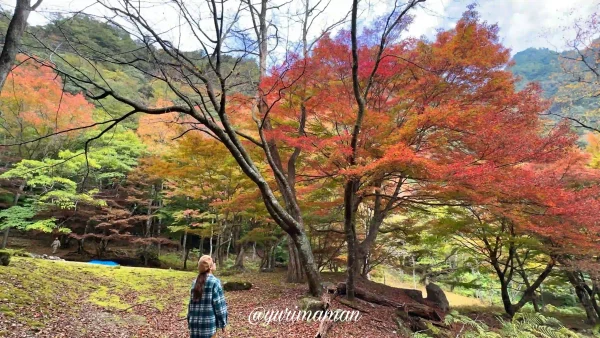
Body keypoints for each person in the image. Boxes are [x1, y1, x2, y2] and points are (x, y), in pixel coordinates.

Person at [188, 255, 227, 338]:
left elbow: (190, 305)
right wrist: (223, 323)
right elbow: (219, 305)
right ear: (210, 267)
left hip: (194, 326)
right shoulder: (215, 282)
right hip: (208, 326)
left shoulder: (194, 282)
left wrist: (189, 321)